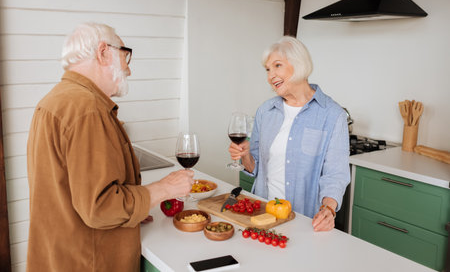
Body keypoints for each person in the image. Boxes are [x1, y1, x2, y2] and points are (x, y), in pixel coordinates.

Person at [26, 22, 194, 271]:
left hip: (60, 256)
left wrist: (134, 209)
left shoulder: (54, 100)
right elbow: (100, 207)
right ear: (103, 52)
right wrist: (163, 188)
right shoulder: (87, 109)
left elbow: (68, 192)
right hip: (90, 261)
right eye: (125, 55)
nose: (128, 68)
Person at [228, 36, 350, 232]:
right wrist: (245, 155)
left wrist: (328, 209)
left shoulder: (332, 115)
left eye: (277, 66)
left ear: (299, 66)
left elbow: (335, 175)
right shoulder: (265, 111)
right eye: (268, 69)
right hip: (262, 214)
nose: (270, 75)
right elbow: (254, 167)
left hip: (304, 220)